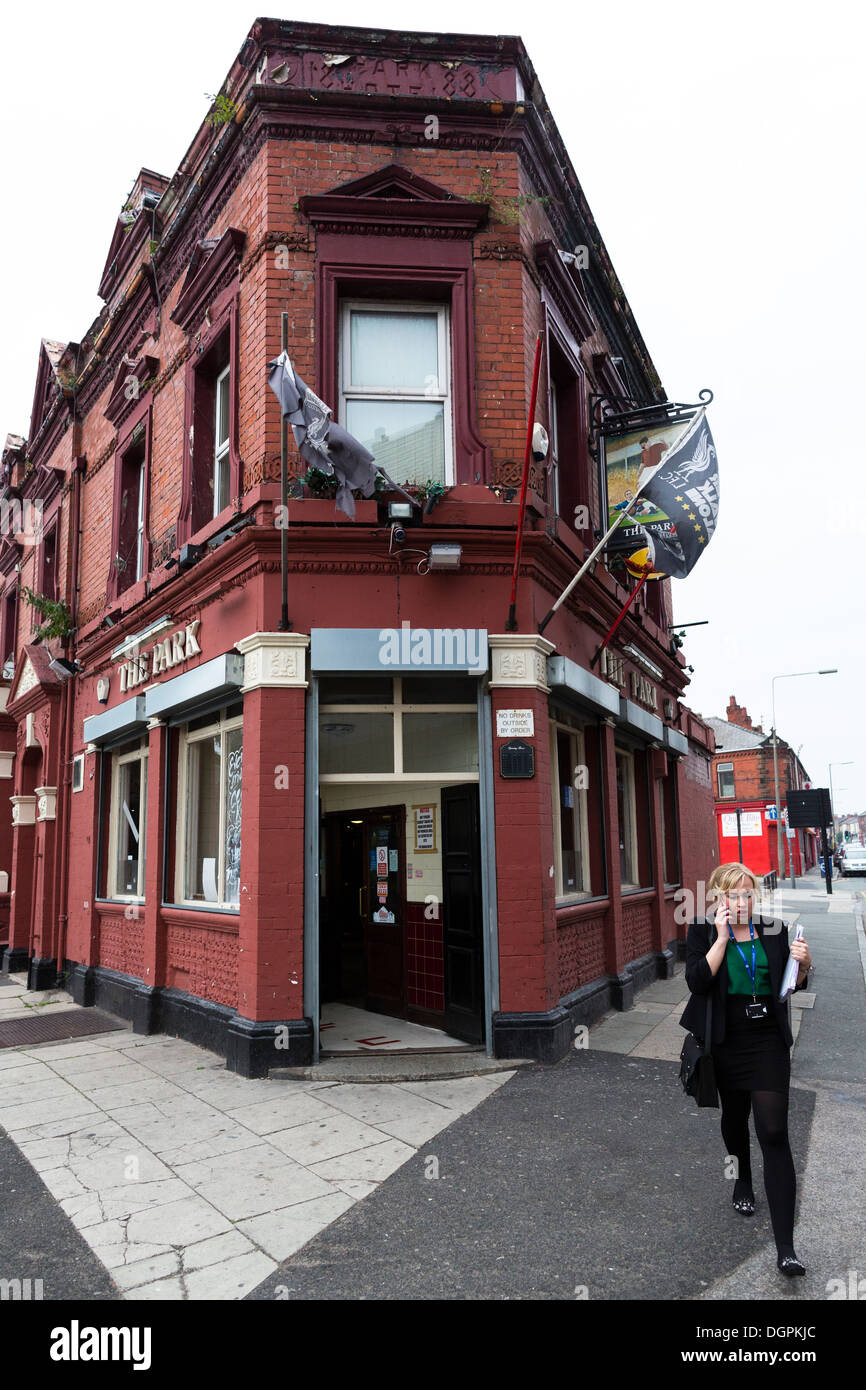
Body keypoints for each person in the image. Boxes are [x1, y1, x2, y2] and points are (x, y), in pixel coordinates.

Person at [679, 862, 813, 1276]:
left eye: (748, 894)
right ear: (718, 898)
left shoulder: (773, 930)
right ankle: (741, 1178)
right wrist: (720, 938)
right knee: (735, 1120)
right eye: (733, 895)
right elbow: (698, 982)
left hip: (766, 1039)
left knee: (773, 1131)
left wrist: (804, 966)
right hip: (725, 1040)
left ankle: (786, 1248)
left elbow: (791, 985)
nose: (742, 902)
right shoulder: (701, 932)